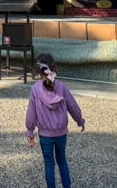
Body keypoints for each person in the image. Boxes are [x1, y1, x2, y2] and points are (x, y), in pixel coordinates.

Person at [24, 53, 85, 188]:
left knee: (49, 164)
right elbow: (72, 105)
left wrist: (30, 131)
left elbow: (31, 113)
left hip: (45, 135)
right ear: (54, 69)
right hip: (61, 133)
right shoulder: (61, 87)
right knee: (62, 160)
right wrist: (79, 119)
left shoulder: (35, 89)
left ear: (39, 72)